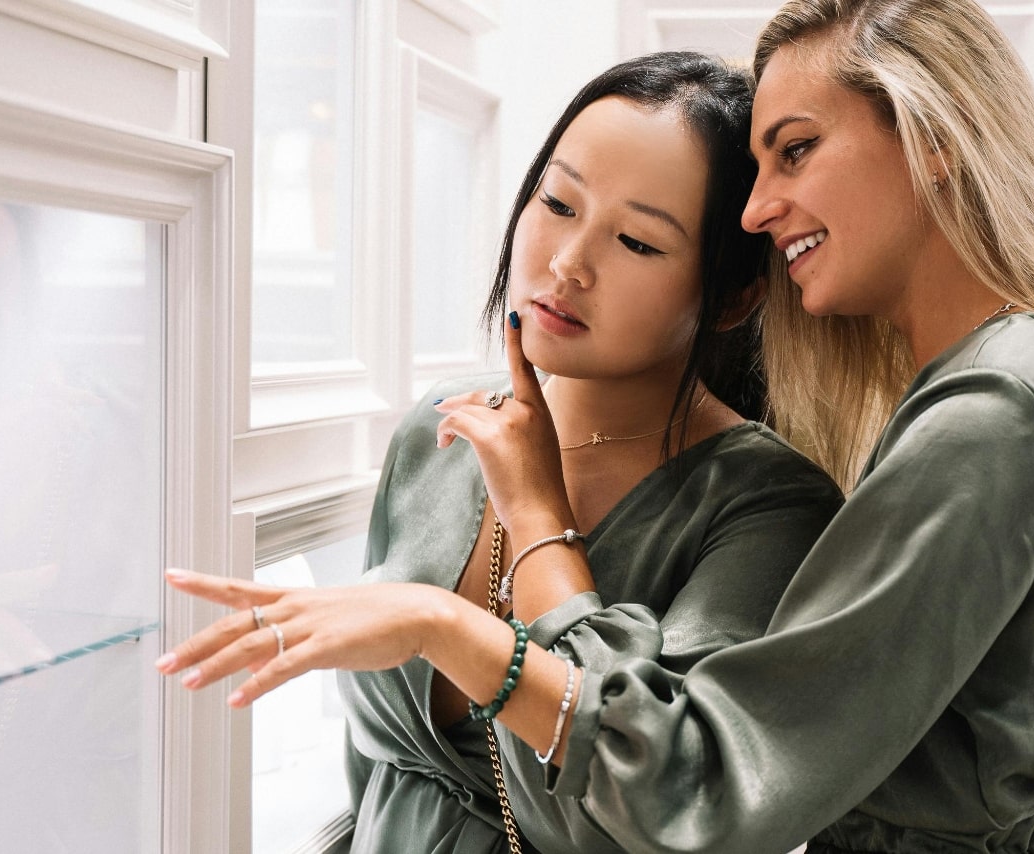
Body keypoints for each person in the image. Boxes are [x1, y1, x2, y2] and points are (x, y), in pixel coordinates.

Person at [513, 2, 1034, 852]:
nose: (756, 211)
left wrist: (520, 552)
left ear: (934, 139)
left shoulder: (995, 417)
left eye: (795, 150)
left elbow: (695, 785)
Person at [155, 52, 843, 853]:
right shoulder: (440, 429)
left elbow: (651, 808)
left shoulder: (769, 506)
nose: (566, 264)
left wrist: (531, 520)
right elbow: (373, 767)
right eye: (557, 201)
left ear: (731, 295)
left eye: (637, 242)